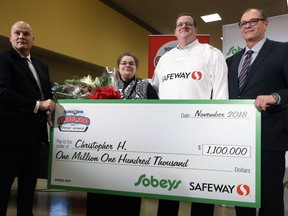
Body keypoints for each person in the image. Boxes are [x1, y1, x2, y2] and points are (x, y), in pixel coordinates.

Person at [151, 13, 228, 216]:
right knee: (168, 186)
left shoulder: (211, 54)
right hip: (169, 135)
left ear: (195, 29)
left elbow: (221, 95)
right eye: (179, 25)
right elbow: (155, 94)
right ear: (175, 31)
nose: (183, 26)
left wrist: (217, 131)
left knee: (201, 188)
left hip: (201, 133)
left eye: (188, 24)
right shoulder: (165, 60)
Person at [226, 8, 288, 216]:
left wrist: (276, 97)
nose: (248, 26)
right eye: (243, 23)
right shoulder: (231, 61)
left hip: (269, 137)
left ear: (265, 24)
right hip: (237, 142)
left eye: (253, 21)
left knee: (270, 198)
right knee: (241, 197)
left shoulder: (283, 50)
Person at [86, 52, 159, 216]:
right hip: (106, 147)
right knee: (102, 190)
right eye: (124, 63)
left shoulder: (145, 87)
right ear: (118, 67)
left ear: (136, 68)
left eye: (131, 63)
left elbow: (156, 112)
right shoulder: (105, 85)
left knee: (128, 191)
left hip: (133, 147)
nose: (128, 65)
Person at [0, 21, 55, 216]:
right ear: (10, 37)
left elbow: (47, 96)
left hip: (34, 137)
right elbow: (3, 93)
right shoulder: (4, 59)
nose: (21, 36)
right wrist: (38, 106)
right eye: (17, 33)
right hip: (9, 136)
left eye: (26, 33)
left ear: (33, 39)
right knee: (3, 185)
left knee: (28, 187)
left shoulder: (42, 66)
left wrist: (49, 112)